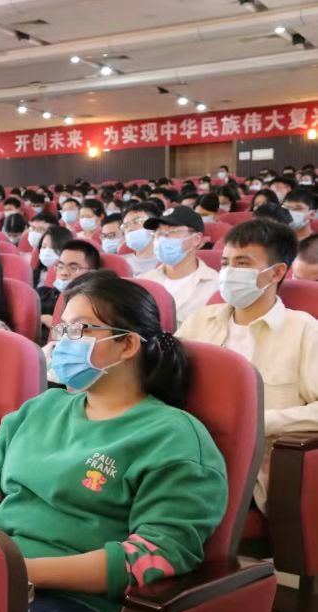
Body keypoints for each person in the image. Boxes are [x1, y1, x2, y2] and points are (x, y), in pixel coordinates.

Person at [0, 273, 227, 612]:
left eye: (79, 330)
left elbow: (156, 554)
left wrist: (21, 570)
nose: (63, 342)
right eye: (61, 329)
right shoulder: (42, 407)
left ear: (127, 344)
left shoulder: (173, 436)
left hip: (85, 607)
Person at [177, 219, 318, 512]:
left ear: (276, 272)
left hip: (250, 470)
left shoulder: (304, 331)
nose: (228, 272)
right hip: (184, 452)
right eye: (225, 263)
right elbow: (164, 379)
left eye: (242, 263)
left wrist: (258, 423)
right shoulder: (201, 320)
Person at [135, 206, 218, 325]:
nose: (162, 238)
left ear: (196, 239)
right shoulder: (143, 282)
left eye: (172, 232)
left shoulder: (216, 286)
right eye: (159, 233)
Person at [40, 239, 101, 331]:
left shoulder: (93, 307)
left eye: (73, 268)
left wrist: (56, 324)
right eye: (60, 266)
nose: (64, 272)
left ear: (92, 272)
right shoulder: (41, 293)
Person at [121, 201, 161, 275]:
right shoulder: (120, 263)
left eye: (137, 222)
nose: (130, 229)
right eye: (126, 225)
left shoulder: (168, 263)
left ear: (154, 226)